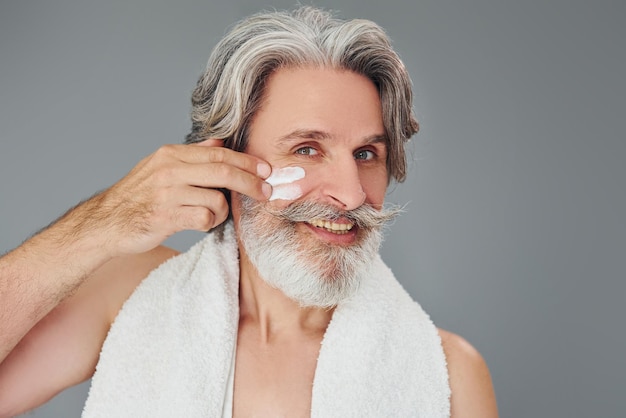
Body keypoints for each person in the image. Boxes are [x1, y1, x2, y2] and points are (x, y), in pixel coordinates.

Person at [0, 7, 497, 417]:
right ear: (226, 159)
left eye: (366, 154)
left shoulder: (449, 375)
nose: (350, 194)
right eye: (307, 149)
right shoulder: (128, 299)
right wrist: (107, 220)